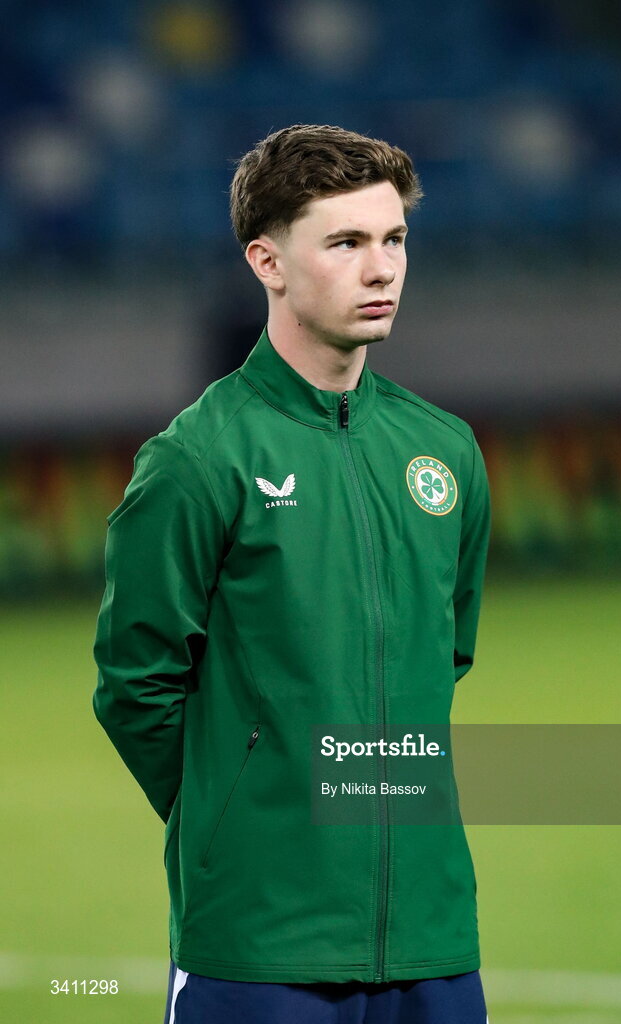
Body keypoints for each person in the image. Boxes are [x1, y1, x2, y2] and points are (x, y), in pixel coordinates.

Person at [93, 124, 492, 1024]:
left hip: (432, 938)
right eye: (345, 243)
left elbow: (445, 655)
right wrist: (244, 814)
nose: (381, 268)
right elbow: (135, 686)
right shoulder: (197, 460)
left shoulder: (445, 452)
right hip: (259, 946)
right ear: (266, 261)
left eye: (393, 239)